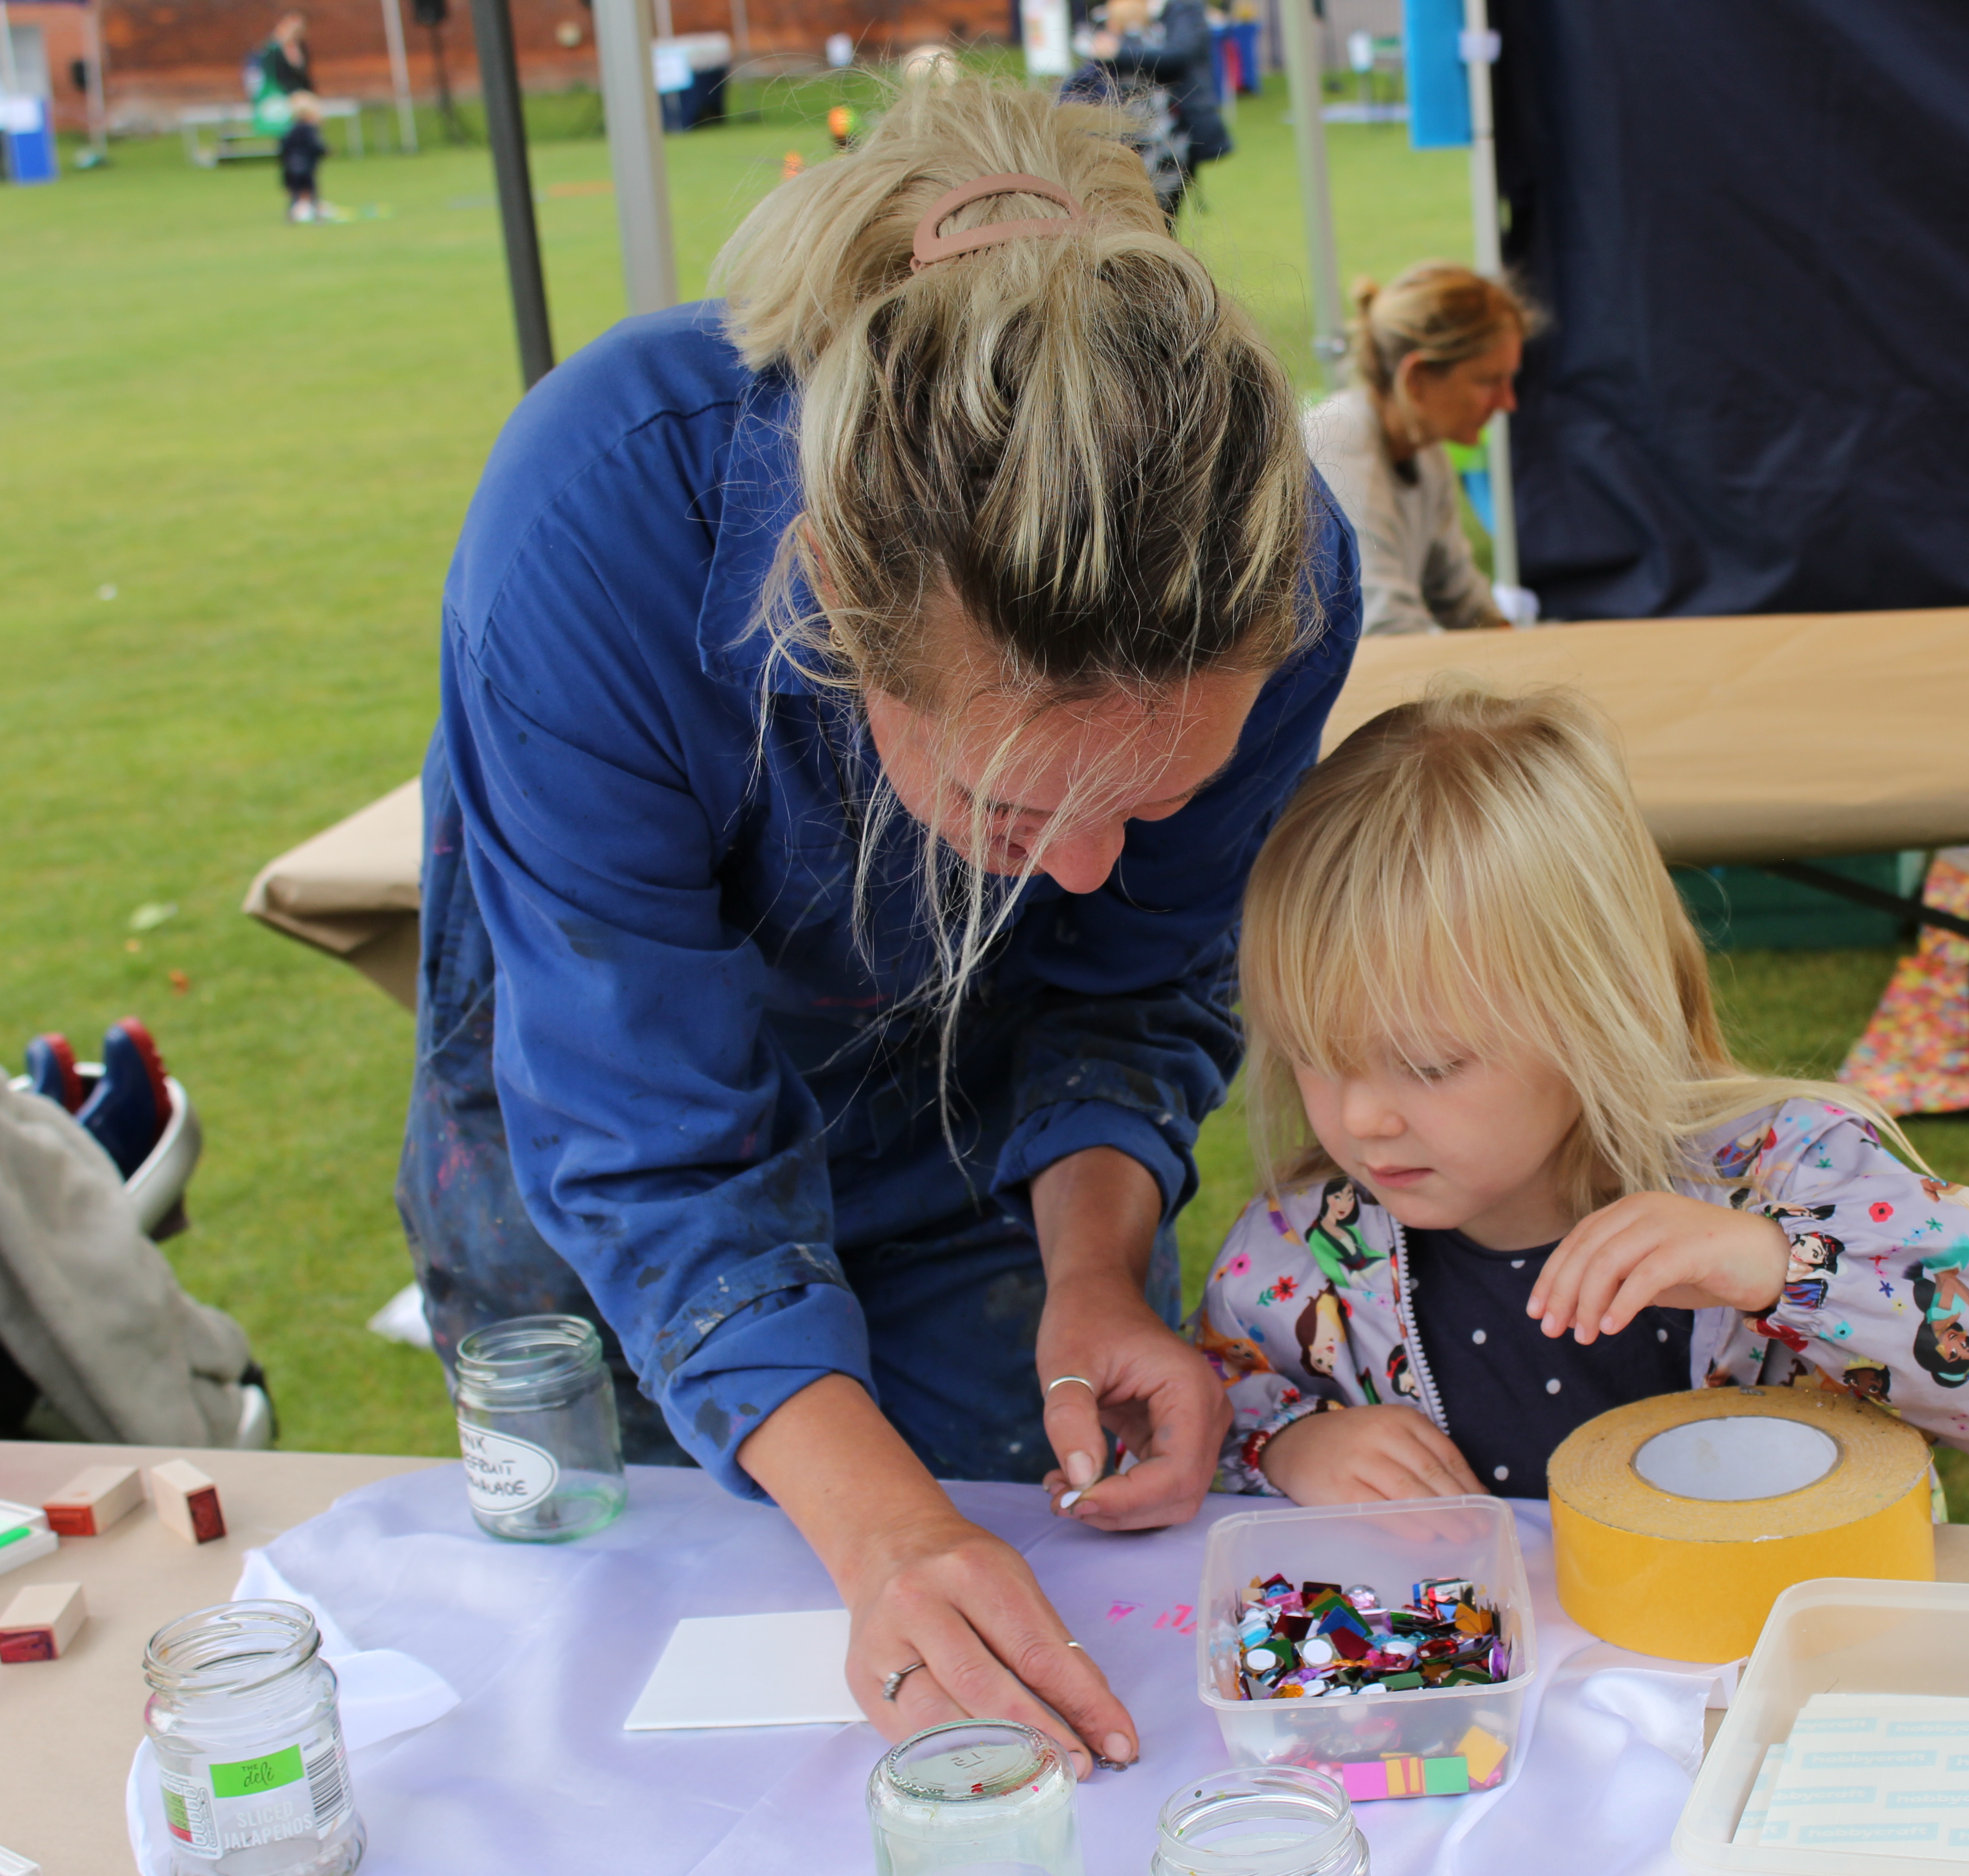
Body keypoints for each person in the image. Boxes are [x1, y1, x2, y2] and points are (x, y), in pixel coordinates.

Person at [399, 73, 1359, 1772]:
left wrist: (1099, 1271)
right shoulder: (602, 519)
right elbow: (642, 1129)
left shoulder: (1280, 576)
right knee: (643, 1710)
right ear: (833, 608)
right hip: (607, 1163)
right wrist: (883, 1529)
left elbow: (1133, 978)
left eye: (1139, 807)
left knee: (1037, 1659)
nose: (1073, 876)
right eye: (1010, 811)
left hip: (971, 1143)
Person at [1195, 684, 1969, 1503]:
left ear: (1597, 1008)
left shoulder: (1784, 1171)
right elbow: (1199, 1417)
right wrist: (1288, 1444)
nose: (1360, 1119)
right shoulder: (1294, 1254)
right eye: (1317, 1056)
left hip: (1780, 1670)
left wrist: (1775, 1265)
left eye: (1430, 1065)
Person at [1306, 262, 1534, 635]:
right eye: (1489, 381)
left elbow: (1460, 597)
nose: (1508, 402)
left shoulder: (1427, 452)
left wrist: (1514, 648)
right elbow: (1383, 628)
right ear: (1417, 379)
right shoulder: (1342, 448)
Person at [1071, 0, 1229, 223]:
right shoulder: (1107, 43)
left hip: (1171, 138)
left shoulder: (1184, 10)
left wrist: (1115, 51)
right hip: (1126, 143)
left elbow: (1177, 55)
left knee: (1162, 218)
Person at [279, 90, 326, 222]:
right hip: (306, 166)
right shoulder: (310, 130)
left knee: (296, 194)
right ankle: (318, 216)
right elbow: (315, 145)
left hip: (293, 166)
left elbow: (284, 148)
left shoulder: (290, 130)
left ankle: (291, 216)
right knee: (311, 192)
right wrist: (325, 151)